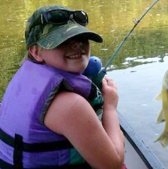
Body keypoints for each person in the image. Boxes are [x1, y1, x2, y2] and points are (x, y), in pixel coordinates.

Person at [0, 5, 125, 169]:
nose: (76, 45)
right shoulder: (71, 105)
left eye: (82, 38)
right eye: (63, 41)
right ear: (36, 51)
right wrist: (110, 107)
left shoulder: (24, 77)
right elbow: (113, 164)